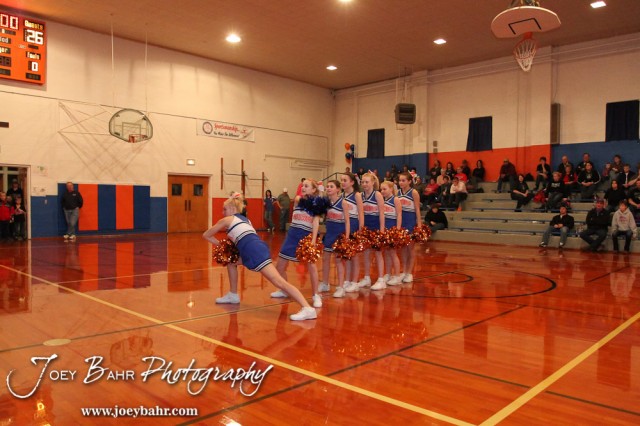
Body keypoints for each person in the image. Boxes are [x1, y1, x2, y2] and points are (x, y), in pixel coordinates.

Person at [202, 194, 316, 321]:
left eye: (224, 209)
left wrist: (221, 246)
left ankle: (308, 308)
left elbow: (206, 235)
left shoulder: (227, 220)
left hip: (254, 251)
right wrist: (228, 249)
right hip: (252, 249)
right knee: (231, 262)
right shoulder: (246, 220)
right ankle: (233, 295)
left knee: (279, 282)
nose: (222, 212)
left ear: (233, 209)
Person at [271, 179, 324, 308]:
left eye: (306, 186)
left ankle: (316, 295)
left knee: (312, 267)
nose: (303, 187)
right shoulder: (298, 199)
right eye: (302, 185)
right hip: (292, 235)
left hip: (306, 236)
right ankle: (284, 290)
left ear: (313, 189)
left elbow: (315, 222)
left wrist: (313, 240)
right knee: (279, 266)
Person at [333, 172, 363, 296]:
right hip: (345, 226)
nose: (342, 182)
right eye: (341, 180)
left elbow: (361, 213)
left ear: (352, 182)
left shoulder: (357, 195)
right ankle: (348, 280)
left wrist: (361, 230)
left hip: (354, 225)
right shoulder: (341, 195)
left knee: (354, 255)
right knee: (347, 255)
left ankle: (355, 282)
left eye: (345, 180)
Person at [357, 173, 386, 290]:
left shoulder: (377, 195)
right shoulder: (360, 196)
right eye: (363, 182)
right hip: (366, 228)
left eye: (367, 182)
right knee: (366, 253)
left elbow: (382, 213)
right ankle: (367, 278)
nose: (364, 184)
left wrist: (382, 230)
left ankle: (381, 279)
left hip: (376, 227)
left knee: (378, 253)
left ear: (373, 183)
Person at [318, 180, 348, 294]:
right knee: (325, 259)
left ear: (338, 189)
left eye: (331, 186)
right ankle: (325, 283)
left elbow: (347, 221)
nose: (329, 188)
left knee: (338, 261)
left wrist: (347, 237)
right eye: (327, 186)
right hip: (329, 233)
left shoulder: (343, 202)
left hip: (339, 234)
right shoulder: (326, 202)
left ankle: (341, 287)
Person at [397, 172, 422, 283]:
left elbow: (417, 209)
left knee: (410, 248)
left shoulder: (414, 192)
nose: (401, 182)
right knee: (403, 248)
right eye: (400, 180)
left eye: (403, 180)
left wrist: (419, 224)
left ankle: (409, 273)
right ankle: (404, 271)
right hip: (401, 222)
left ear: (409, 181)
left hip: (410, 221)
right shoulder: (398, 192)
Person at [380, 180, 403, 287]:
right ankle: (388, 274)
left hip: (392, 229)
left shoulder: (395, 199)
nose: (382, 191)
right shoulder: (383, 200)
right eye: (381, 189)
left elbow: (399, 215)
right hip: (385, 229)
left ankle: (397, 276)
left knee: (393, 253)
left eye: (384, 189)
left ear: (391, 189)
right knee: (386, 252)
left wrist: (397, 230)